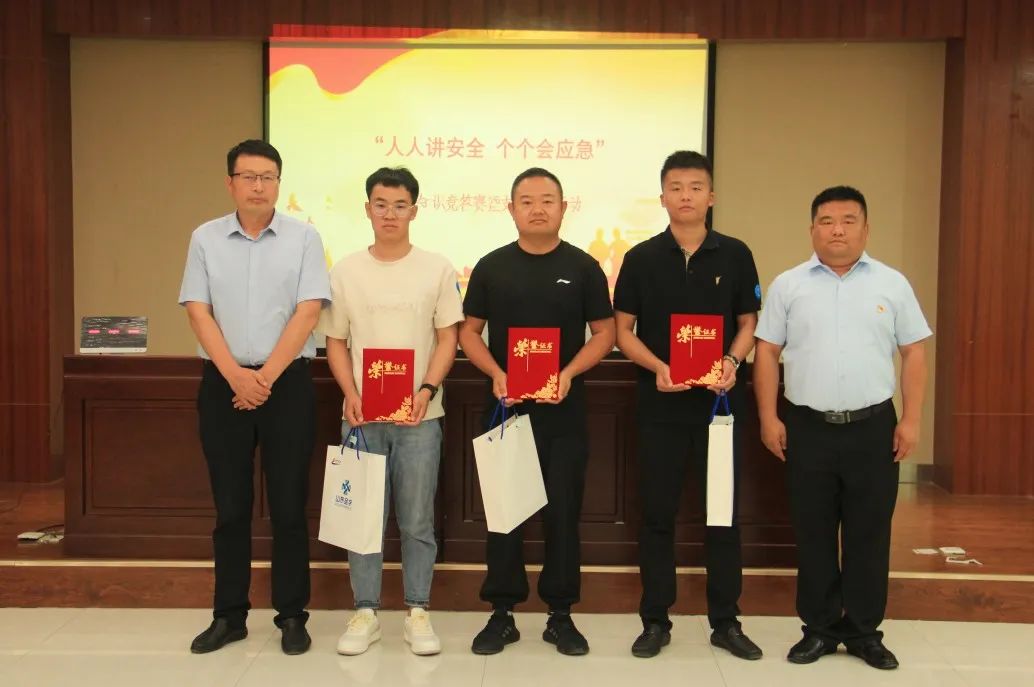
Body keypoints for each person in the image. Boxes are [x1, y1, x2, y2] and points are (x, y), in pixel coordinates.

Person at [754, 185, 931, 670]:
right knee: (812, 532)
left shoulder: (892, 284)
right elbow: (767, 352)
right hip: (806, 427)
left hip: (873, 428)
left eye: (848, 221)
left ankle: (864, 631)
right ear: (812, 229)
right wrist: (769, 417)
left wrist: (912, 418)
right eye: (827, 221)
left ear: (866, 229)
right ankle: (819, 628)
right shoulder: (788, 285)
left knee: (868, 534)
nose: (837, 230)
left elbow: (914, 351)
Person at [179, 139, 330, 655]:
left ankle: (292, 615)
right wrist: (236, 377)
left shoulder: (304, 237)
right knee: (230, 508)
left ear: (279, 183)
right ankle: (229, 615)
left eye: (268, 177)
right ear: (231, 183)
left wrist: (262, 377)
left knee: (289, 505)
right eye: (248, 176)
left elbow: (308, 311)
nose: (258, 186)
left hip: (286, 384)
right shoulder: (205, 238)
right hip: (223, 385)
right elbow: (198, 311)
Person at [613, 150, 762, 660]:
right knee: (657, 514)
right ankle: (655, 620)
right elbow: (622, 330)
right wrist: (658, 366)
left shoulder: (735, 254)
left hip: (719, 407)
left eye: (696, 187)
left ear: (711, 196)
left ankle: (726, 621)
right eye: (675, 188)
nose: (685, 196)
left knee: (722, 512)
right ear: (662, 197)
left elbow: (748, 322)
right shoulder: (640, 258)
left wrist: (733, 361)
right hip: (661, 405)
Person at [459, 168, 615, 656]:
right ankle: (501, 613)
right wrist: (495, 371)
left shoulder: (584, 267)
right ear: (511, 209)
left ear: (564, 208)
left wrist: (569, 372)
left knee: (563, 513)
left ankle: (560, 615)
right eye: (526, 201)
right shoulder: (491, 266)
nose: (538, 209)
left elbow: (605, 333)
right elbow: (468, 332)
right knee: (505, 514)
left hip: (563, 411)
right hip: (506, 408)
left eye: (548, 200)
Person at [320, 167, 463, 657]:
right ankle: (365, 612)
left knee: (417, 518)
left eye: (400, 205)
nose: (389, 214)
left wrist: (427, 388)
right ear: (367, 209)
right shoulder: (345, 271)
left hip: (421, 416)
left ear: (414, 211)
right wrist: (350, 392)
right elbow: (335, 341)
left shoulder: (436, 268)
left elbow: (448, 338)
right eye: (380, 204)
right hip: (362, 416)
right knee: (362, 517)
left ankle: (417, 610)